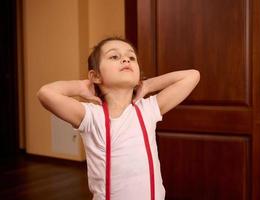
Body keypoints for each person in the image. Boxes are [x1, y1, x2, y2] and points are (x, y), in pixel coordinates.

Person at [37, 37, 200, 200]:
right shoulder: (92, 116)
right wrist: (81, 87)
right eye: (114, 56)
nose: (125, 59)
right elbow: (46, 94)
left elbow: (192, 76)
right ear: (96, 76)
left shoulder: (147, 109)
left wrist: (148, 85)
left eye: (131, 57)